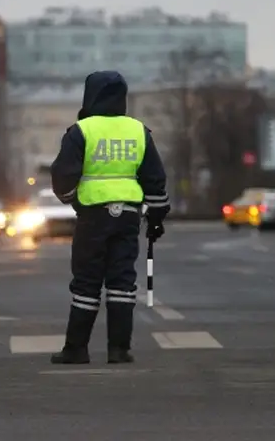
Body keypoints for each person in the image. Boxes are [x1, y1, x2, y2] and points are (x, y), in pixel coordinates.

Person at [49, 70, 170, 365]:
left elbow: (62, 176)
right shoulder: (138, 131)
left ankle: (76, 349)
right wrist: (155, 218)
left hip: (92, 216)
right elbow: (155, 179)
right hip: (128, 216)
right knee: (122, 282)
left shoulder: (82, 131)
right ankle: (119, 349)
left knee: (87, 282)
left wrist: (73, 200)